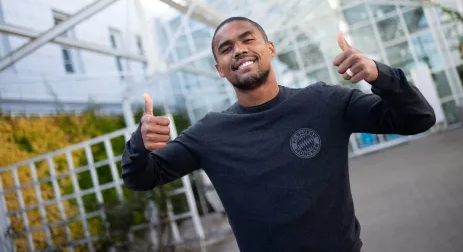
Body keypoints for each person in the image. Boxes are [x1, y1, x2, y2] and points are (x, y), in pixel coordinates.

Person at [121, 17, 436, 252]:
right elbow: (141, 178)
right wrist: (139, 143)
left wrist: (381, 75)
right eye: (226, 48)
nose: (239, 50)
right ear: (220, 68)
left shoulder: (325, 102)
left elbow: (418, 119)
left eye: (248, 40)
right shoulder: (209, 133)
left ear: (269, 49)